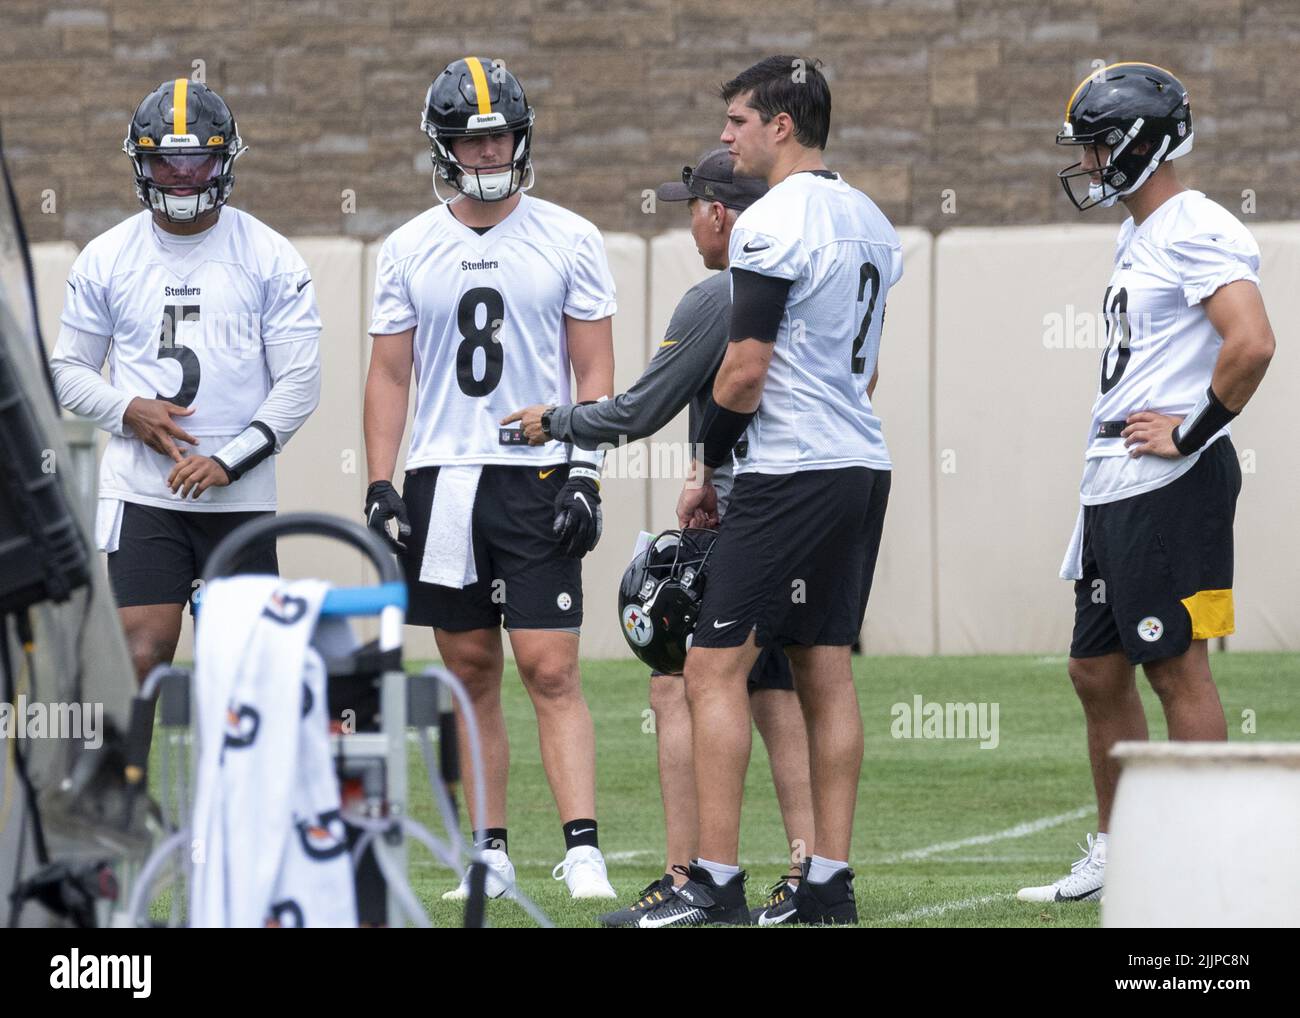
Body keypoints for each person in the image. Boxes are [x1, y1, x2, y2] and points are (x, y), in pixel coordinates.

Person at [504, 148, 816, 926]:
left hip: (762, 503)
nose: (690, 222)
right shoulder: (813, 277)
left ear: (718, 213)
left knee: (677, 670)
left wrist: (561, 422)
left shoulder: (722, 291)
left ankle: (694, 876)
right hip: (824, 488)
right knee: (782, 679)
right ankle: (815, 868)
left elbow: (639, 407)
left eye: (693, 207)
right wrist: (706, 465)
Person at [642, 56, 900, 926]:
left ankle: (711, 882)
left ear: (780, 126)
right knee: (826, 667)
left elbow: (745, 373)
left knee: (713, 668)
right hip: (860, 463)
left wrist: (707, 470)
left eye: (737, 122)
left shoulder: (772, 221)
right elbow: (862, 373)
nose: (726, 137)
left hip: (789, 468)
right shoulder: (869, 217)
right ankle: (828, 880)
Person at [1019, 62, 1275, 903]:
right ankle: (1121, 848)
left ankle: (1208, 862)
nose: (1087, 163)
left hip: (1169, 478)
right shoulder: (1141, 232)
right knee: (1095, 671)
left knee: (1175, 665)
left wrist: (1191, 430)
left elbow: (1253, 343)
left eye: (1096, 146)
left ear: (1137, 144)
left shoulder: (1195, 223)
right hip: (1115, 480)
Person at [363, 57, 618, 901]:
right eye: (473, 139)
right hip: (444, 475)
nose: (489, 150)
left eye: (500, 133)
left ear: (522, 134)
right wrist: (379, 481)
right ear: (444, 147)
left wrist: (585, 471)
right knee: (469, 669)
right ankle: (489, 851)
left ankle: (582, 846)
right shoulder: (407, 246)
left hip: (536, 469)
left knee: (551, 666)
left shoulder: (570, 236)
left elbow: (594, 370)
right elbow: (391, 375)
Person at [50, 78, 321, 683]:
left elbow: (299, 383)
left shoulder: (270, 256)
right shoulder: (105, 256)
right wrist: (128, 410)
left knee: (246, 669)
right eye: (162, 160)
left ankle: (237, 783)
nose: (179, 175)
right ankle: (129, 781)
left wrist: (229, 460)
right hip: (143, 492)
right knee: (140, 655)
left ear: (223, 161)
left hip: (240, 494)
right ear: (139, 163)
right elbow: (67, 370)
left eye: (195, 160)